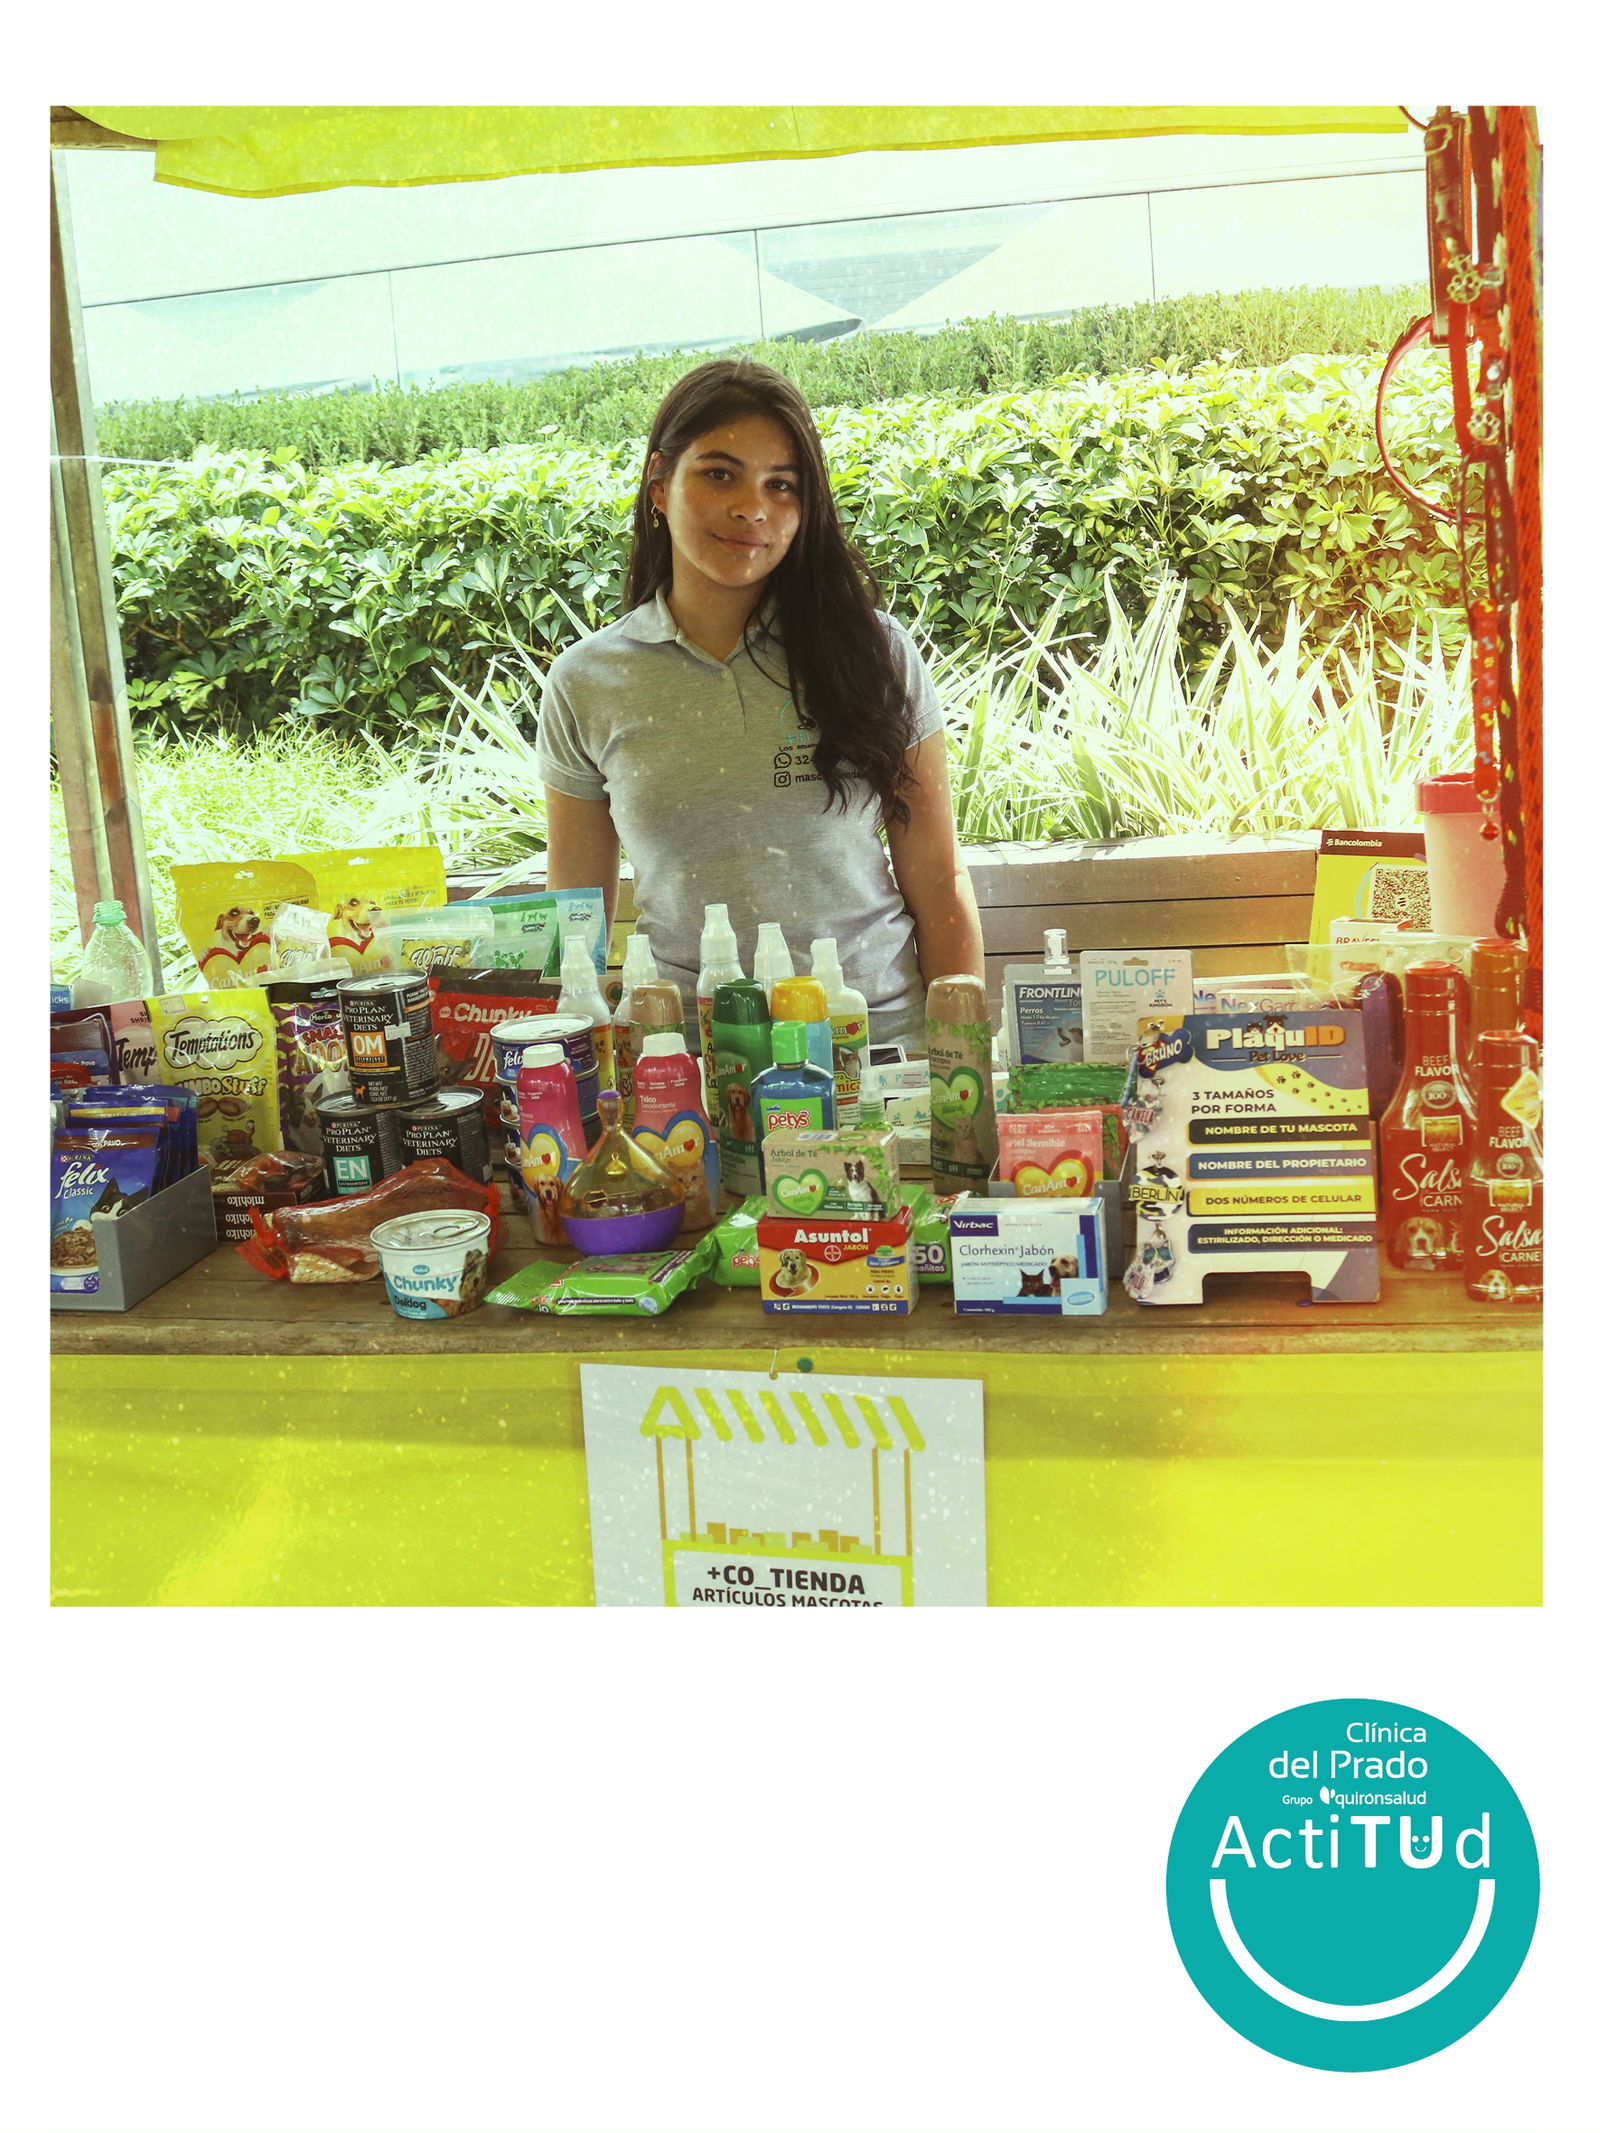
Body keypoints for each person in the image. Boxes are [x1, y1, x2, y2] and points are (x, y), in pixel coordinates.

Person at [535, 357, 986, 1051]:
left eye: (782, 485)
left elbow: (939, 878)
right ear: (659, 485)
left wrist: (961, 1055)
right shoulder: (587, 681)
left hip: (875, 1045)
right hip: (683, 1061)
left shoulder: (873, 653)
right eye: (720, 475)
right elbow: (576, 922)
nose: (753, 508)